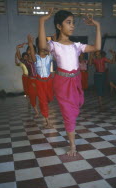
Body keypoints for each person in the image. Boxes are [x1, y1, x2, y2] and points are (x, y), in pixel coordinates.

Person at [38, 9, 101, 156]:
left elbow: (97, 47)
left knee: (77, 105)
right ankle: (72, 145)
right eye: (68, 22)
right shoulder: (54, 45)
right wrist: (41, 22)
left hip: (76, 81)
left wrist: (97, 26)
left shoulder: (76, 46)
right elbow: (42, 46)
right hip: (62, 82)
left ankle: (71, 136)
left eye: (73, 22)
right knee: (69, 113)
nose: (72, 26)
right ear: (59, 26)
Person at [28, 34, 54, 127]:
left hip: (49, 82)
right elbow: (32, 54)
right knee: (43, 101)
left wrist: (53, 40)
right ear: (40, 49)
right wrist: (31, 45)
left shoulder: (49, 57)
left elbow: (53, 49)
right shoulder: (36, 58)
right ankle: (47, 120)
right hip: (40, 82)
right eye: (45, 48)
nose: (47, 50)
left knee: (49, 98)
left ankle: (44, 105)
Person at [16, 42, 39, 117]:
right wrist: (17, 48)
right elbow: (19, 57)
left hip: (40, 80)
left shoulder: (38, 58)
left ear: (34, 52)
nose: (29, 51)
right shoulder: (26, 61)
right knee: (32, 95)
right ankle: (36, 111)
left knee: (43, 95)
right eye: (28, 50)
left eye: (31, 50)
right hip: (31, 80)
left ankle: (43, 108)